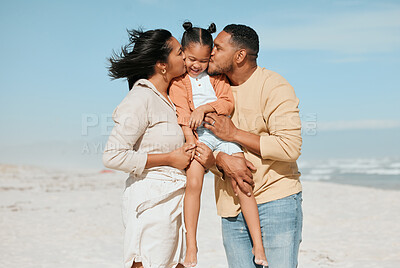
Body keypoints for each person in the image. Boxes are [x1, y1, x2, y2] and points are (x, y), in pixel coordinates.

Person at [103, 28, 214, 268]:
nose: (185, 58)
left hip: (176, 203)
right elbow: (112, 156)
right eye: (179, 52)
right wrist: (169, 158)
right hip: (151, 202)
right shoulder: (141, 98)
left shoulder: (173, 99)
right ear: (162, 65)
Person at [169, 22, 268, 267]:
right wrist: (191, 138)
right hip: (198, 137)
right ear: (182, 52)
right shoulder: (179, 82)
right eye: (191, 59)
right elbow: (182, 113)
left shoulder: (217, 77)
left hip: (222, 135)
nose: (196, 65)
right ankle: (192, 245)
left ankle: (258, 245)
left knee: (243, 181)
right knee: (193, 184)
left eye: (203, 60)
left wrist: (204, 108)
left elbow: (227, 104)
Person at [203, 24, 303, 268]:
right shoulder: (208, 89)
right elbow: (198, 145)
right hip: (231, 208)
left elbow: (290, 147)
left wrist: (234, 133)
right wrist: (220, 161)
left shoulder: (275, 86)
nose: (211, 52)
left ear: (239, 56)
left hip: (275, 202)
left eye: (218, 47)